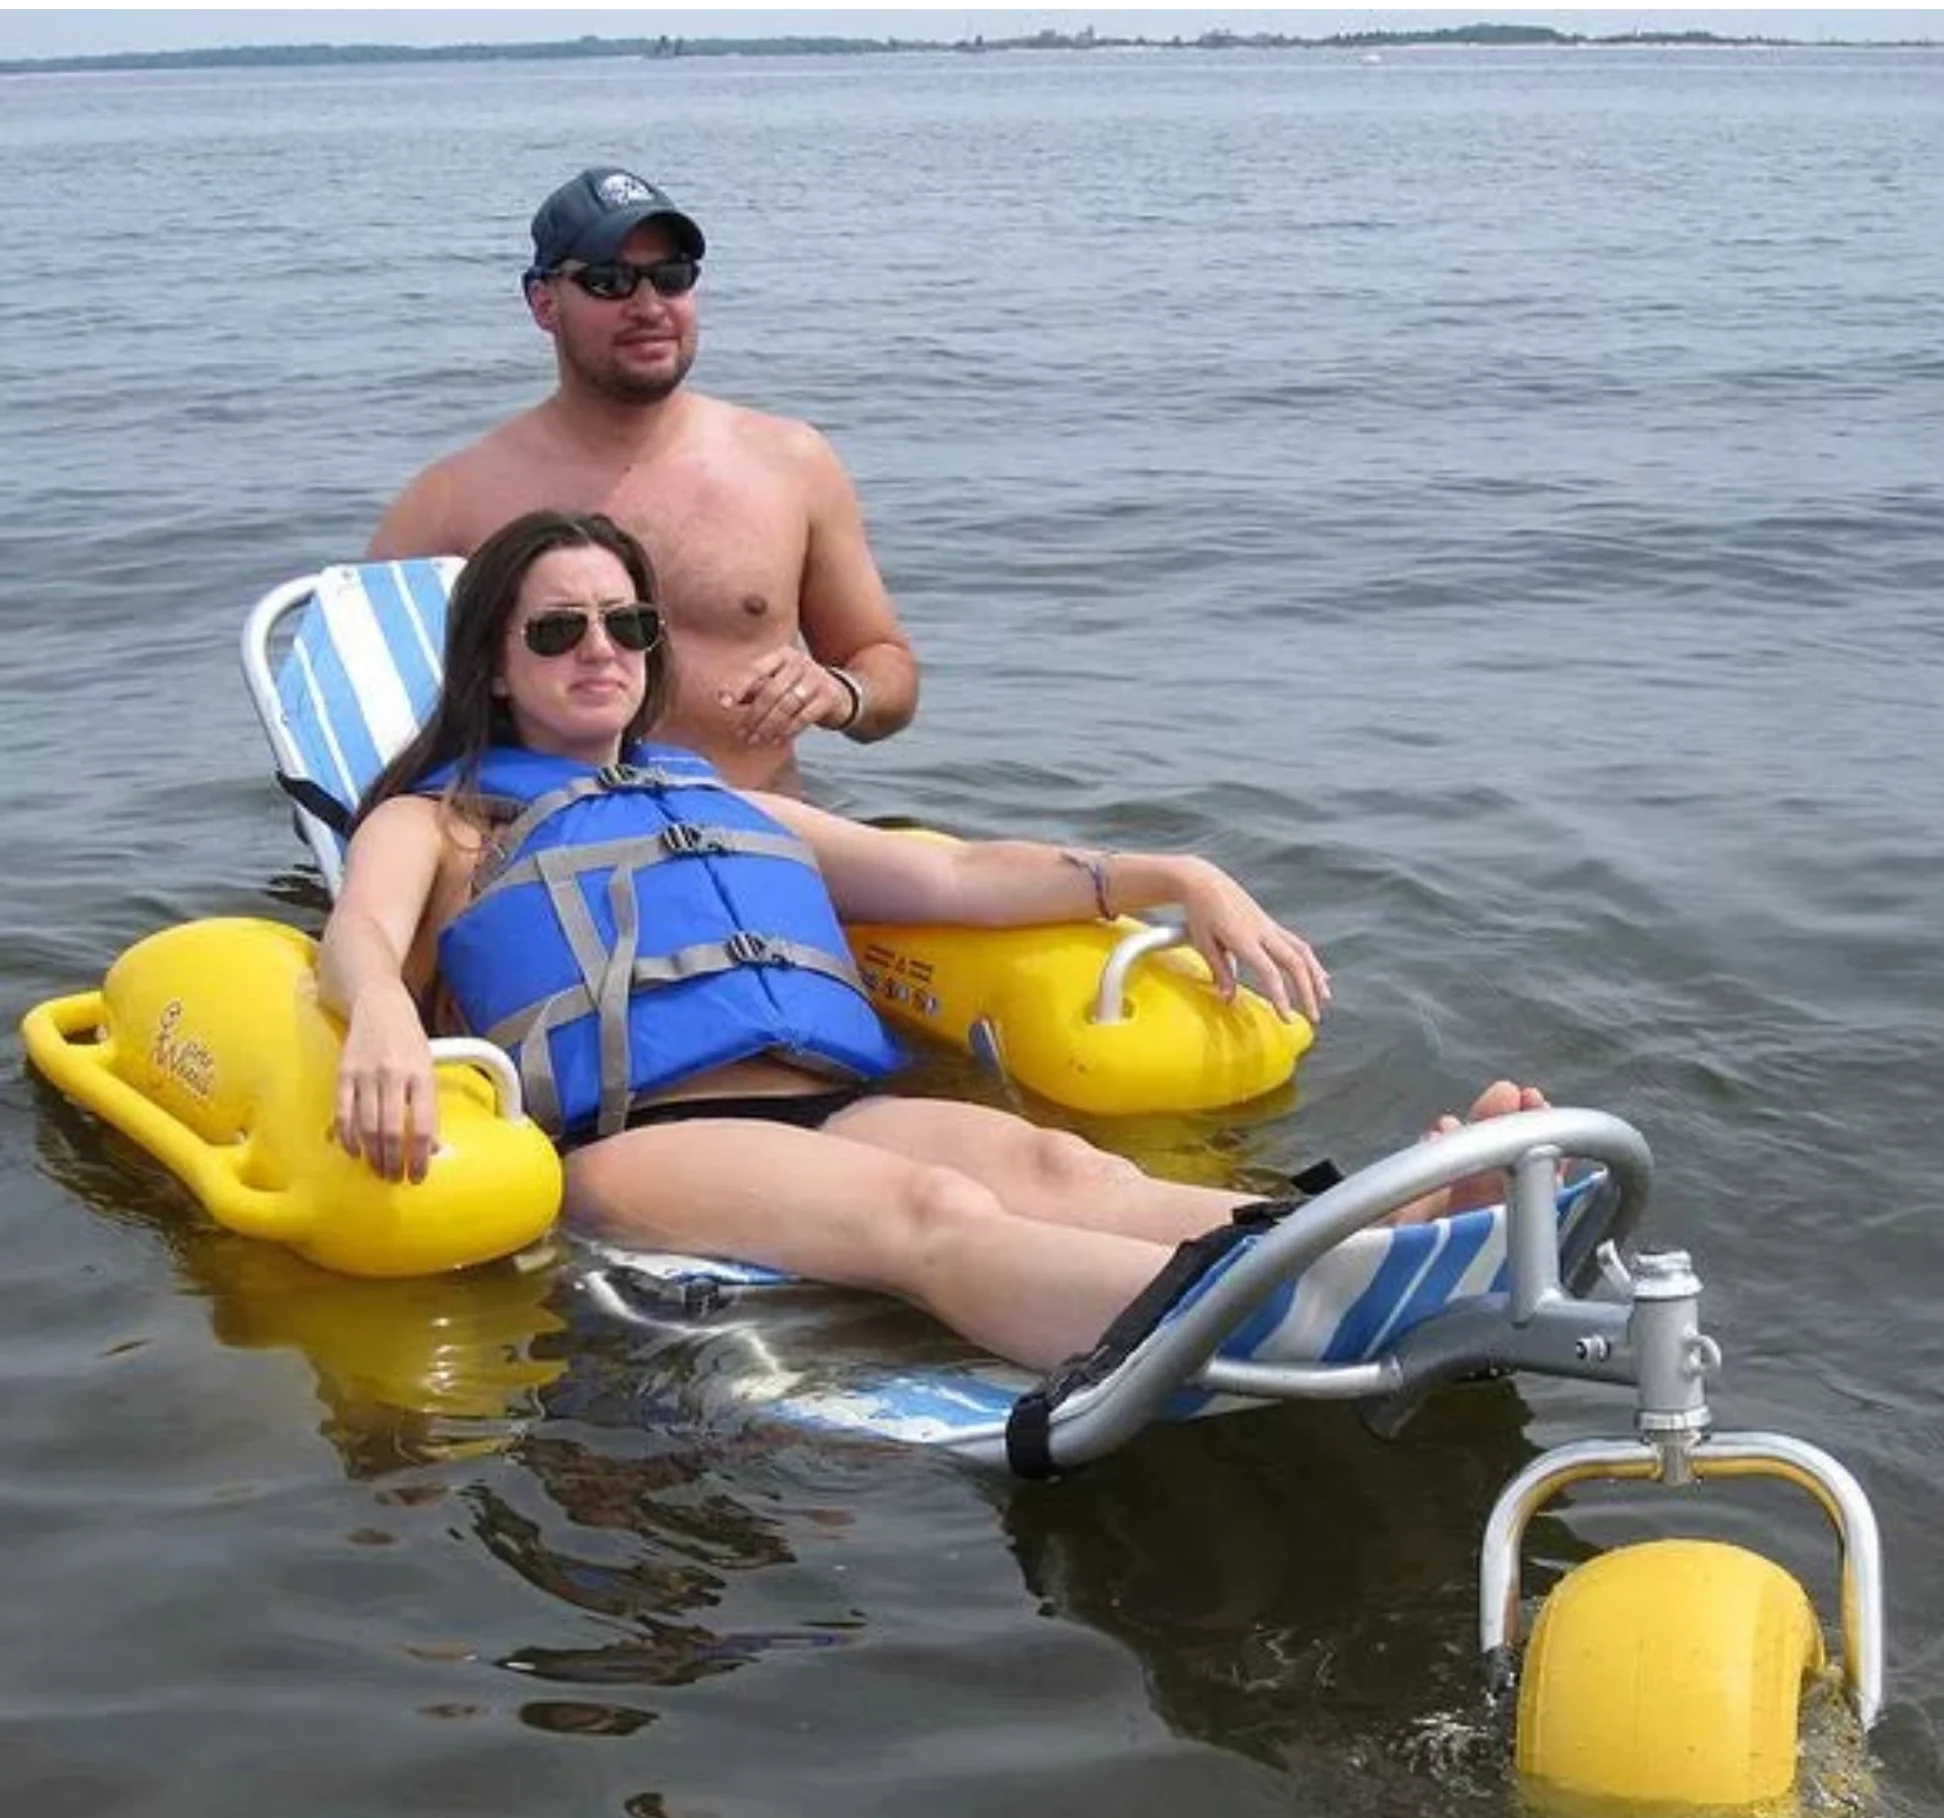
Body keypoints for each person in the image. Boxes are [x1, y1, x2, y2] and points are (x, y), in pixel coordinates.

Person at [320, 509, 1550, 1378]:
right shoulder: (442, 818)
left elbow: (953, 874)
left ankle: (1382, 1240)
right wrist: (381, 1013)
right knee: (931, 1210)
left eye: (625, 622)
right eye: (556, 630)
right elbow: (359, 939)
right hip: (640, 1142)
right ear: (490, 659)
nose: (600, 648)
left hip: (838, 1103)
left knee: (1075, 1177)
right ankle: (1266, 1313)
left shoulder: (725, 797)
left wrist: (1176, 873)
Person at [366, 163, 918, 799]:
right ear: (543, 302)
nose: (649, 307)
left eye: (672, 278)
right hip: (553, 866)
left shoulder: (792, 463)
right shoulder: (450, 503)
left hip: (766, 848)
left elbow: (887, 670)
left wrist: (845, 693)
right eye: (610, 282)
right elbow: (369, 723)